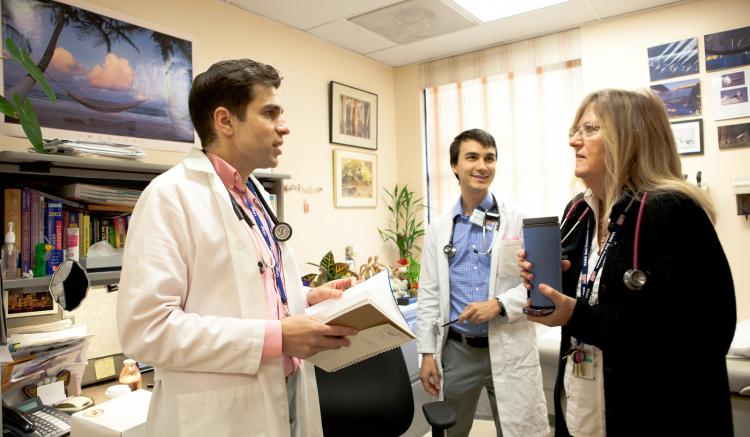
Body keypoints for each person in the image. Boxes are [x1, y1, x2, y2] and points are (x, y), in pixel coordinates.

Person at [116, 59, 358, 437]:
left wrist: (307, 297)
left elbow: (252, 284)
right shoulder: (169, 196)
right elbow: (147, 329)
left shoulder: (254, 193)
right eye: (270, 112)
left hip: (288, 389)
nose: (284, 126)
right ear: (225, 121)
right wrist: (277, 336)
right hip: (220, 415)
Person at [520, 89, 736, 436]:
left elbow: (701, 338)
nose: (575, 141)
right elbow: (582, 297)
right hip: (580, 407)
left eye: (590, 129)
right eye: (574, 131)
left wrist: (579, 316)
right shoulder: (578, 212)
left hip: (655, 416)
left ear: (631, 138)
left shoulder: (673, 212)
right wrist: (545, 286)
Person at [416, 129, 549, 437]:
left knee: (521, 430)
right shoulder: (439, 228)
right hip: (459, 351)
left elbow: (540, 282)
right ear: (454, 166)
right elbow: (430, 295)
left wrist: (500, 305)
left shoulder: (517, 218)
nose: (482, 166)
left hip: (509, 342)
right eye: (472, 157)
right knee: (452, 430)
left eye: (489, 158)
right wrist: (426, 354)